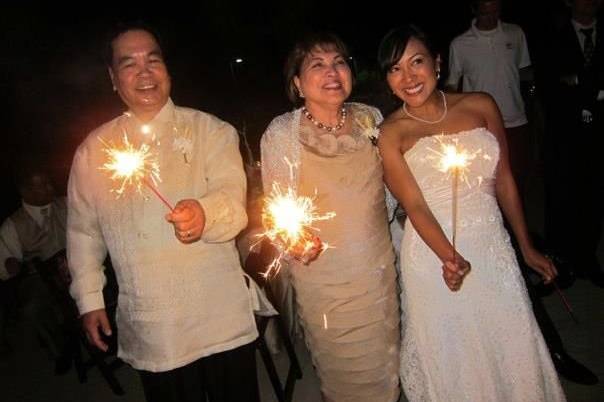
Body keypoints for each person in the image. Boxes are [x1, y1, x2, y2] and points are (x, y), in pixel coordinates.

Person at [67, 23, 259, 402]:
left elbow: (233, 203)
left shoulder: (211, 131)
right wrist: (89, 299)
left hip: (219, 316)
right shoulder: (95, 150)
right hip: (154, 327)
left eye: (153, 60)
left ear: (167, 69)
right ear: (113, 78)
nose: (144, 72)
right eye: (129, 64)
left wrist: (204, 213)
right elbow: (84, 233)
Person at [378, 25, 566, 401]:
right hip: (434, 258)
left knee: (509, 341)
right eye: (395, 69)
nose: (408, 77)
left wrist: (526, 247)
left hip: (492, 247)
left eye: (416, 62)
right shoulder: (391, 133)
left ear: (437, 62)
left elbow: (505, 180)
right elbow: (414, 205)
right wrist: (450, 258)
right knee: (454, 356)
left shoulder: (481, 105)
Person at [448, 0, 598, 386]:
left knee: (510, 234)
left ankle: (549, 347)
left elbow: (528, 77)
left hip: (512, 126)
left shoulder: (515, 34)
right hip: (455, 208)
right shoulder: (460, 45)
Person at [259, 32, 400, 402]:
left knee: (387, 368)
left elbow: (390, 192)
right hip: (324, 280)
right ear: (297, 83)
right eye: (317, 65)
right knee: (343, 375)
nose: (332, 71)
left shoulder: (372, 118)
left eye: (339, 62)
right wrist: (294, 240)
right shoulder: (281, 134)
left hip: (376, 271)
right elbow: (276, 213)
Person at [544, 0, 604, 288]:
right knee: (562, 196)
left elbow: (575, 81)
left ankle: (588, 259)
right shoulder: (554, 36)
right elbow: (549, 84)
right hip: (565, 134)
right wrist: (590, 86)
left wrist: (579, 80)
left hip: (599, 134)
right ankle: (560, 264)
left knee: (594, 197)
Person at [446, 0, 534, 195]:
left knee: (518, 178)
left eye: (496, 11)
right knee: (486, 182)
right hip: (481, 125)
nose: (491, 18)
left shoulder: (515, 33)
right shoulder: (460, 44)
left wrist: (534, 96)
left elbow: (525, 71)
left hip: (516, 120)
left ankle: (515, 225)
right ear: (474, 10)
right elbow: (452, 84)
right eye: (485, 13)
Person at [0, 166, 70, 374]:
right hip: (41, 277)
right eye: (41, 186)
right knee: (32, 308)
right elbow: (4, 267)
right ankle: (60, 348)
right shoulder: (12, 225)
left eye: (48, 183)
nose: (49, 188)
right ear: (25, 191)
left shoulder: (67, 202)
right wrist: (11, 266)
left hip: (77, 265)